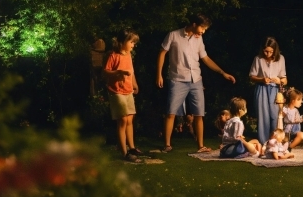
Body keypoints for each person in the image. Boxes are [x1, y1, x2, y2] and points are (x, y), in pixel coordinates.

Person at [156, 13, 235, 153]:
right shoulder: (173, 35)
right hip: (177, 79)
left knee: (199, 114)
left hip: (196, 80)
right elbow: (162, 53)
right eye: (202, 28)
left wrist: (223, 72)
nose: (203, 31)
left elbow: (205, 58)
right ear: (194, 24)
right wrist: (159, 74)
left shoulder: (199, 39)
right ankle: (167, 145)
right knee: (171, 113)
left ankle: (201, 146)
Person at [103, 29, 141, 162]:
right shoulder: (113, 55)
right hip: (116, 91)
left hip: (128, 90)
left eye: (134, 43)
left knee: (130, 119)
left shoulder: (129, 55)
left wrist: (134, 84)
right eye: (131, 42)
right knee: (123, 120)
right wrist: (117, 73)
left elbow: (131, 71)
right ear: (122, 42)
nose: (133, 45)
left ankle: (132, 147)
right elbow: (106, 71)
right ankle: (124, 151)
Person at [249, 37, 287, 144]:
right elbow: (252, 76)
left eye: (271, 51)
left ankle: (275, 141)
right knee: (263, 116)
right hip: (262, 88)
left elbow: (285, 79)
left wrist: (279, 80)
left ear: (275, 50)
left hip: (275, 90)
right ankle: (263, 143)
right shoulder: (258, 59)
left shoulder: (281, 59)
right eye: (266, 51)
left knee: (275, 116)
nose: (268, 53)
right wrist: (261, 79)